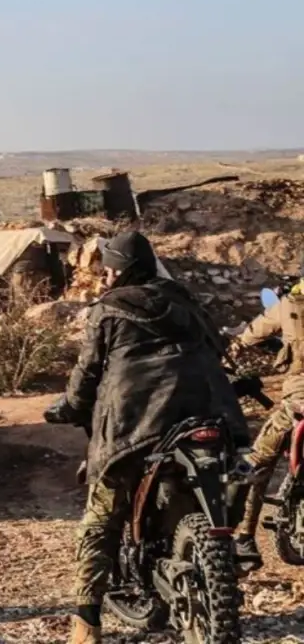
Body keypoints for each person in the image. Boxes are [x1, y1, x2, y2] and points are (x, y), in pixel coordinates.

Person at [46, 232, 248, 644]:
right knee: (229, 477)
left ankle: (86, 621)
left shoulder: (108, 309)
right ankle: (229, 557)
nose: (105, 278)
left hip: (136, 421)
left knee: (103, 512)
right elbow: (218, 347)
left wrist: (69, 407)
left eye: (108, 270)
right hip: (207, 411)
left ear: (120, 271)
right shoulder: (183, 300)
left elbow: (87, 374)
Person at [229, 276, 304, 568]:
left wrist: (227, 356)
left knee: (256, 462)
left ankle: (244, 536)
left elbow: (251, 335)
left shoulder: (289, 304)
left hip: (298, 400)